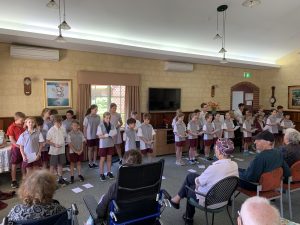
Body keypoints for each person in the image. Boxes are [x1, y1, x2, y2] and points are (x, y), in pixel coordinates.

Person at [169, 138, 238, 225]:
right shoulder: (234, 165)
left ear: (220, 151)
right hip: (224, 199)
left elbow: (199, 182)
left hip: (210, 201)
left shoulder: (214, 168)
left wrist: (198, 184)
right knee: (190, 176)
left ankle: (188, 217)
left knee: (189, 188)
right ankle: (176, 199)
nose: (214, 149)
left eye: (216, 147)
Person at [94, 150, 142, 222]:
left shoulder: (116, 186)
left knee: (103, 198)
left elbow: (100, 212)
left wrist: (99, 216)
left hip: (120, 219)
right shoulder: (148, 182)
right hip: (141, 216)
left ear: (123, 164)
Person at [46, 115, 69, 186]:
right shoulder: (51, 130)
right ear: (54, 122)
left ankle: (61, 179)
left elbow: (65, 137)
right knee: (52, 165)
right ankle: (50, 181)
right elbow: (47, 141)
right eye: (57, 122)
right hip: (54, 151)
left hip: (62, 150)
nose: (59, 124)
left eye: (60, 122)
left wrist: (66, 141)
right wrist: (54, 145)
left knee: (60, 164)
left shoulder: (63, 129)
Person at [6, 111, 26, 188]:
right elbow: (12, 140)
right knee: (14, 164)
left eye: (24, 120)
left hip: (24, 148)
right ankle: (13, 180)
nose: (23, 121)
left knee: (24, 163)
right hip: (16, 148)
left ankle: (24, 178)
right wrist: (19, 146)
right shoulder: (11, 127)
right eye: (22, 120)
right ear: (16, 119)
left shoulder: (23, 126)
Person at [97, 112, 117, 182]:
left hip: (110, 144)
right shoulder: (100, 125)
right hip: (103, 145)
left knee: (109, 159)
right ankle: (101, 174)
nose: (108, 119)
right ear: (104, 118)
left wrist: (113, 135)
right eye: (106, 118)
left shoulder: (112, 125)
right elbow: (99, 136)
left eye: (109, 118)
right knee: (102, 160)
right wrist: (104, 136)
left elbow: (114, 133)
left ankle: (109, 172)